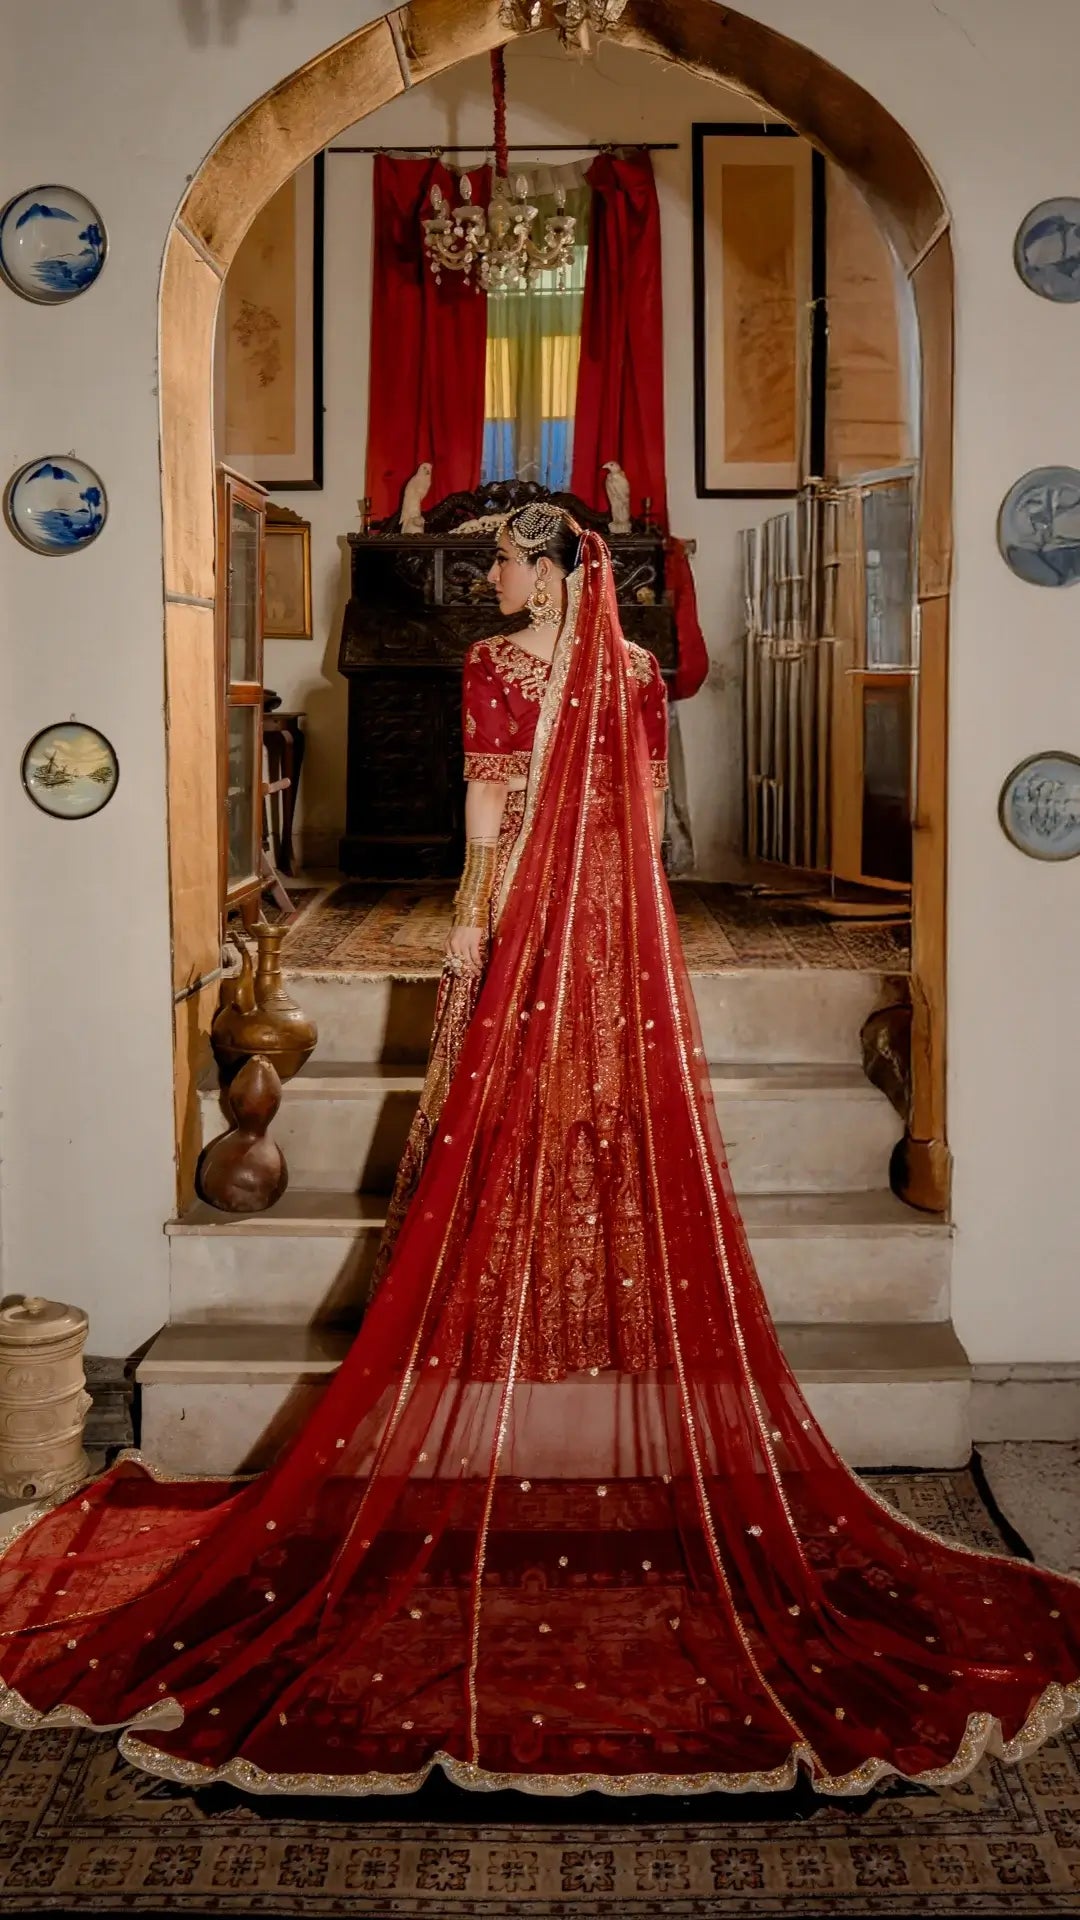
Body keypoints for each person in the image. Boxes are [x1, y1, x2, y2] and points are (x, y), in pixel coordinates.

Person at [0, 502, 1078, 1800]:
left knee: (514, 1101)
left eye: (507, 561)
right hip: (617, 921)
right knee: (592, 1100)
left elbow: (489, 803)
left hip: (530, 909)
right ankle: (562, 1302)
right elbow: (643, 813)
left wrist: (472, 920)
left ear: (557, 572)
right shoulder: (630, 671)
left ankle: (534, 1302)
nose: (492, 577)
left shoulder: (500, 667)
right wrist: (609, 921)